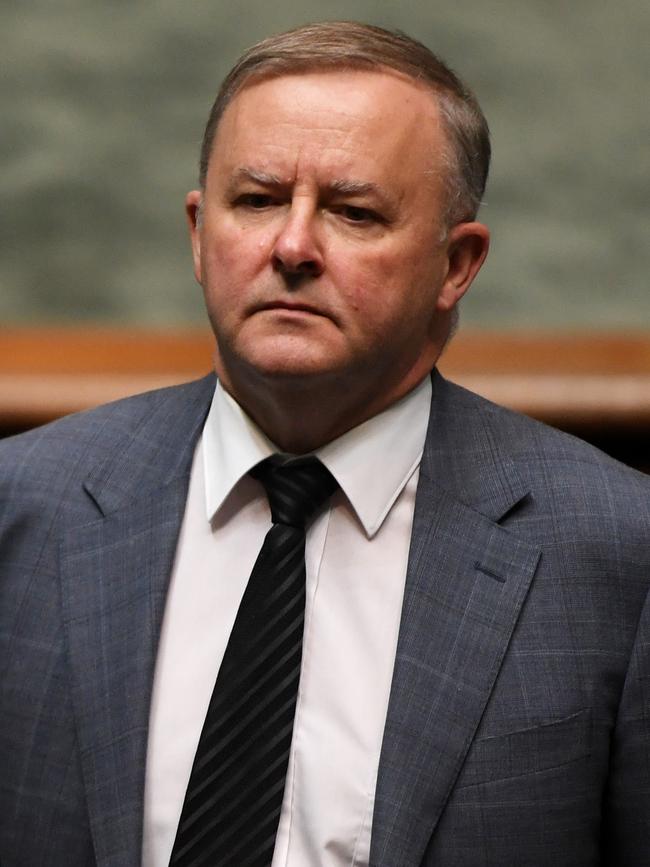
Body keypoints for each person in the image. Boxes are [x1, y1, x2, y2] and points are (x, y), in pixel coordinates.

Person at [1, 21, 649, 867]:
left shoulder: (614, 552)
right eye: (258, 200)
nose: (294, 247)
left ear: (457, 264)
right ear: (200, 235)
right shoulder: (25, 507)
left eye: (353, 211)